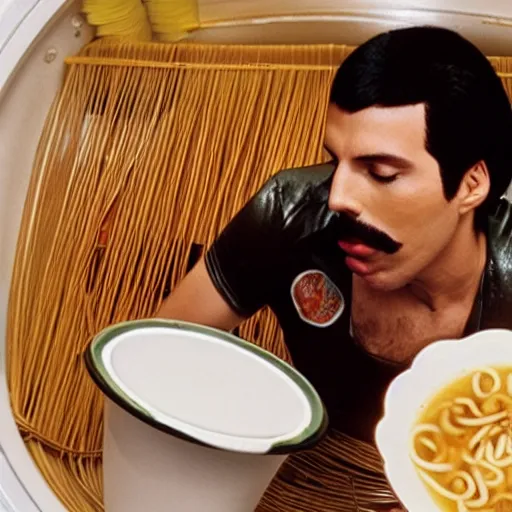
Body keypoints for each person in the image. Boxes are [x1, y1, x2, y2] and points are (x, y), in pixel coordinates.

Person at [156, 26, 512, 511]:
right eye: (335, 161)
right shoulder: (291, 212)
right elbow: (158, 354)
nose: (339, 197)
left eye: (381, 173)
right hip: (307, 474)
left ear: (471, 184)